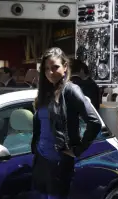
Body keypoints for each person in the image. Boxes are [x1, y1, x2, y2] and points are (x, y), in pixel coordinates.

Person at [31, 47, 101, 199]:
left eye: (55, 67)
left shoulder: (71, 90)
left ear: (65, 67)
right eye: (47, 69)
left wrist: (77, 150)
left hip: (59, 163)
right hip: (42, 161)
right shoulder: (44, 93)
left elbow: (94, 122)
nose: (50, 72)